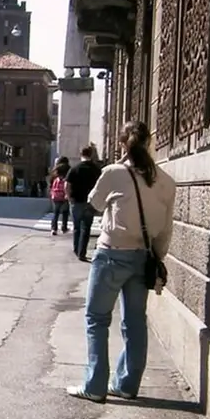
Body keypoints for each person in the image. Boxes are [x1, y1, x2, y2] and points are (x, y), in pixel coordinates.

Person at [66, 121, 175, 403]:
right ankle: (127, 384)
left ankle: (95, 384)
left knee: (97, 318)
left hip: (112, 254)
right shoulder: (165, 180)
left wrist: (118, 167)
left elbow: (95, 203)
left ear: (123, 144)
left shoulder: (114, 172)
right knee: (135, 321)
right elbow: (165, 230)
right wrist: (157, 261)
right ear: (149, 143)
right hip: (143, 257)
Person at [65, 145, 103, 261]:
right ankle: (82, 252)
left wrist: (69, 197)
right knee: (86, 227)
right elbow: (101, 185)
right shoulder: (97, 169)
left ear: (80, 154)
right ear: (91, 154)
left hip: (76, 201)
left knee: (76, 227)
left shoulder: (75, 168)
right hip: (90, 202)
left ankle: (76, 249)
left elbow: (67, 185)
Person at [49, 157, 70, 235]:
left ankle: (54, 229)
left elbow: (51, 181)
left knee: (56, 212)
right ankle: (64, 228)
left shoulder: (55, 170)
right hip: (65, 194)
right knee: (65, 212)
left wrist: (51, 191)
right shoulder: (68, 169)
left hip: (56, 195)